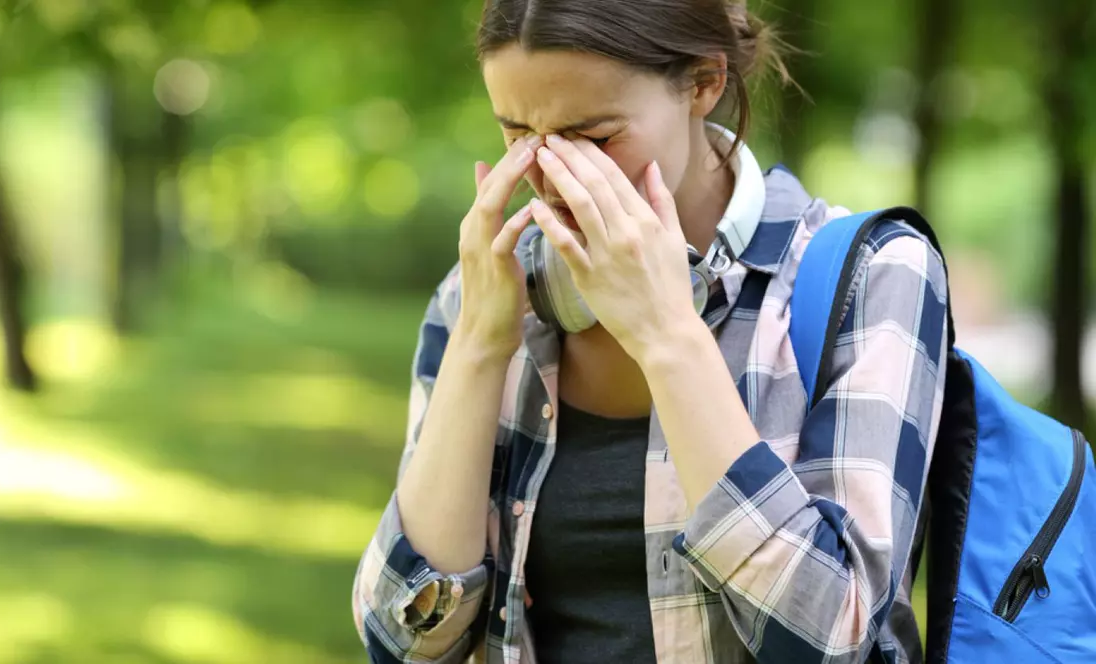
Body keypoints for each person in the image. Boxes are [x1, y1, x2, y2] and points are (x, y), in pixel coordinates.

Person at [351, 0, 948, 662]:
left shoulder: (872, 275)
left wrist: (668, 338)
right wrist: (478, 347)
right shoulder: (483, 294)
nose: (550, 181)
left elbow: (839, 641)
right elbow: (400, 642)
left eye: (595, 137)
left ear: (704, 84)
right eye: (518, 135)